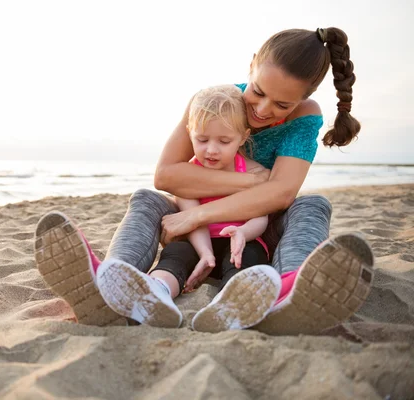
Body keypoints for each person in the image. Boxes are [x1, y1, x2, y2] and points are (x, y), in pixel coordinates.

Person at [34, 27, 375, 335]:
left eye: (282, 104)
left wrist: (197, 215)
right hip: (193, 230)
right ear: (253, 64)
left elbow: (283, 194)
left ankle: (290, 291)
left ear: (302, 99)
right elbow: (166, 175)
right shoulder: (213, 103)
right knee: (146, 198)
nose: (262, 109)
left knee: (312, 205)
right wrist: (253, 184)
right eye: (258, 91)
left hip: (254, 234)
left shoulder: (305, 116)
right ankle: (116, 282)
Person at [93, 85, 281, 331]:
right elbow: (193, 220)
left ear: (243, 137)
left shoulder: (255, 173)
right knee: (176, 254)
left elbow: (261, 216)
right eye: (202, 140)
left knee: (247, 258)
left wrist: (243, 233)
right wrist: (205, 254)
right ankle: (156, 292)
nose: (211, 150)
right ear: (190, 133)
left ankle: (232, 304)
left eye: (224, 141)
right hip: (199, 238)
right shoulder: (187, 175)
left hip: (241, 241)